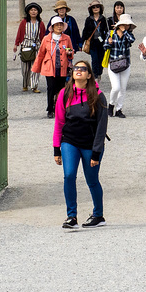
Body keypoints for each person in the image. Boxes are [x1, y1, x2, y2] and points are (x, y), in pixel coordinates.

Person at [53, 52, 108, 229]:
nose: (78, 71)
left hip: (91, 144)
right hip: (69, 141)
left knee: (92, 180)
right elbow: (59, 122)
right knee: (69, 175)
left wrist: (96, 152)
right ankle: (71, 217)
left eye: (83, 69)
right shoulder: (64, 93)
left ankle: (98, 215)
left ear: (89, 75)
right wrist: (56, 148)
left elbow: (101, 127)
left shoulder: (98, 96)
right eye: (76, 68)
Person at [32, 15, 74, 118]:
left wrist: (69, 52)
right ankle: (50, 109)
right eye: (57, 25)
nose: (59, 27)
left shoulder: (66, 38)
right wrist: (36, 68)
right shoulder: (46, 39)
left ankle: (60, 108)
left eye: (60, 25)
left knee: (61, 89)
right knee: (50, 88)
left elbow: (71, 52)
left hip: (62, 67)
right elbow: (41, 54)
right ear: (53, 27)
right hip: (49, 67)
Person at [103, 13, 135, 118]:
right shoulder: (111, 33)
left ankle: (119, 109)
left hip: (125, 64)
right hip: (113, 63)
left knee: (123, 88)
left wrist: (125, 31)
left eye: (128, 25)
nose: (126, 26)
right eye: (124, 24)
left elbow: (132, 40)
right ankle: (111, 104)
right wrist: (109, 43)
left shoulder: (128, 34)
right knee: (116, 87)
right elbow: (105, 46)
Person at [13, 2, 46, 92]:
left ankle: (34, 85)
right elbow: (19, 33)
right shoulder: (24, 22)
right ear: (28, 12)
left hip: (37, 46)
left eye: (35, 10)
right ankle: (25, 84)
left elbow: (43, 36)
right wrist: (16, 44)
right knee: (25, 67)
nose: (33, 12)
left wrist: (44, 47)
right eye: (31, 10)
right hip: (26, 45)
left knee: (35, 66)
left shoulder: (41, 24)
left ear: (38, 12)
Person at [82, 0, 110, 78]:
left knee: (101, 59)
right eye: (93, 7)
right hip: (92, 43)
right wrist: (81, 42)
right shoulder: (89, 19)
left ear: (100, 8)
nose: (95, 8)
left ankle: (99, 73)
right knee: (94, 59)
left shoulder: (103, 19)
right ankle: (95, 75)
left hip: (101, 43)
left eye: (97, 7)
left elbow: (107, 30)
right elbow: (85, 31)